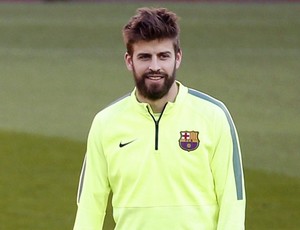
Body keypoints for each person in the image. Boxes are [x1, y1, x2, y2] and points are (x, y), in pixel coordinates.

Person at [73, 7, 246, 230]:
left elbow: (233, 199)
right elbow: (90, 205)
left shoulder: (212, 115)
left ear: (178, 58)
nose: (155, 66)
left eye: (163, 56)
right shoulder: (106, 122)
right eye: (145, 57)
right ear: (129, 60)